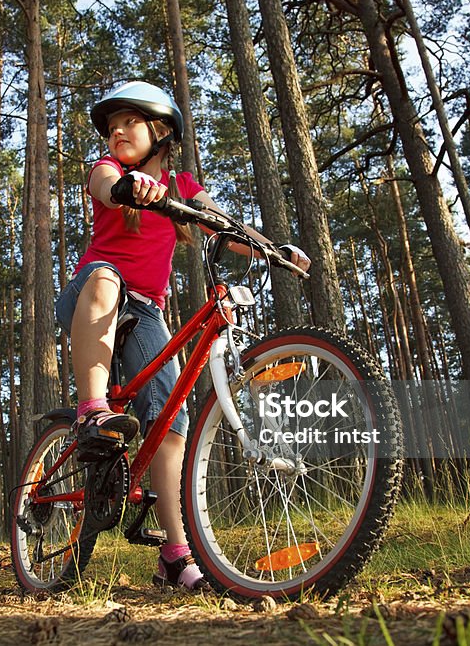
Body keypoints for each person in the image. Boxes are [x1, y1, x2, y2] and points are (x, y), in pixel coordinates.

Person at [55, 81, 311, 591]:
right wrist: (129, 188)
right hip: (94, 292)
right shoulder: (108, 170)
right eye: (111, 127)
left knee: (171, 419)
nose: (117, 133)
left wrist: (269, 248)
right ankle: (91, 409)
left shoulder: (183, 184)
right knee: (107, 276)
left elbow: (222, 223)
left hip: (145, 311)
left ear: (161, 130)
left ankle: (174, 556)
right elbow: (106, 185)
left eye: (129, 122)